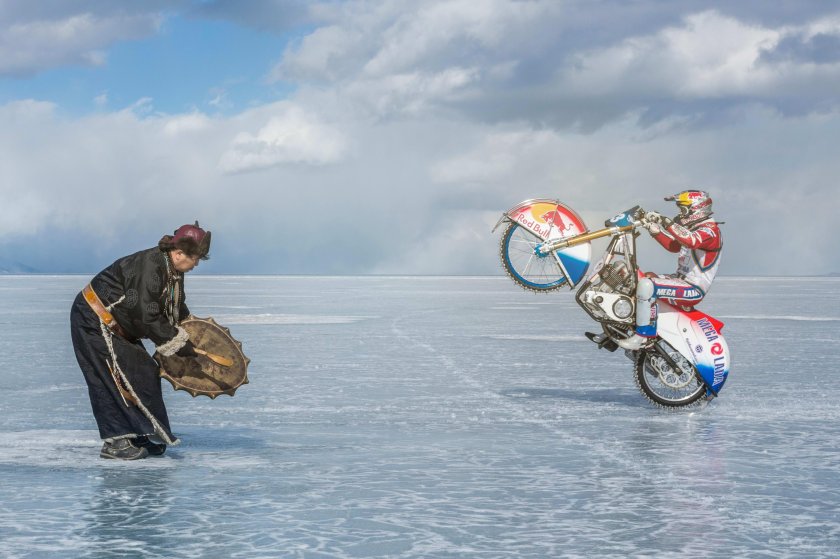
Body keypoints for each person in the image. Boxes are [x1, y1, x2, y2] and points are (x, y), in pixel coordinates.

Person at [70, 222, 212, 460]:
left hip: (119, 326)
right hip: (93, 319)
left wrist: (191, 331)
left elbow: (175, 306)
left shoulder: (173, 271)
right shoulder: (151, 266)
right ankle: (115, 442)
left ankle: (138, 433)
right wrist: (179, 344)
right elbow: (146, 313)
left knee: (143, 371)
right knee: (109, 376)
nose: (196, 263)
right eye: (195, 258)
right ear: (178, 253)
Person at [629, 190, 722, 346]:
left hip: (693, 289)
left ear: (695, 209)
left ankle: (643, 336)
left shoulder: (710, 231)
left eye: (682, 209)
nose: (680, 213)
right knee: (641, 278)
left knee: (647, 286)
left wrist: (664, 221)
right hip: (679, 280)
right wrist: (652, 228)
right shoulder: (695, 228)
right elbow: (673, 246)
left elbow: (691, 241)